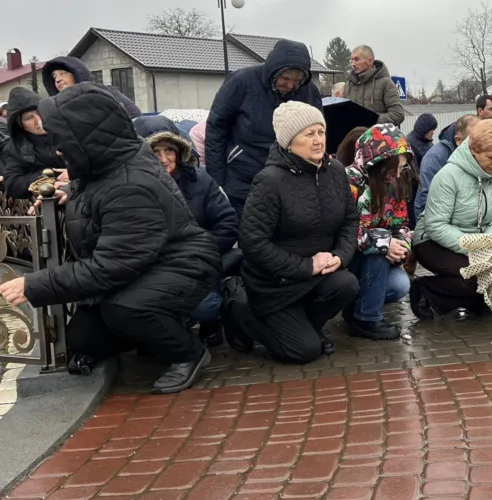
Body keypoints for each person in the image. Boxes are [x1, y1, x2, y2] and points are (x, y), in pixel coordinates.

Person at [0, 85, 220, 393]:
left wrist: (34, 284)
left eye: (62, 139)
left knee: (126, 310)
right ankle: (154, 330)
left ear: (85, 136)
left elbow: (111, 266)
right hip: (148, 264)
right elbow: (98, 192)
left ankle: (188, 353)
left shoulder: (130, 185)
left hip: (181, 265)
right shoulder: (109, 160)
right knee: (83, 339)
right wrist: (67, 192)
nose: (58, 149)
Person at [223, 102, 360, 363]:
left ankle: (305, 327)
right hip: (275, 284)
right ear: (288, 141)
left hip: (317, 276)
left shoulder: (335, 171)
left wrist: (341, 255)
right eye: (309, 134)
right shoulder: (270, 181)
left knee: (347, 284)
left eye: (321, 132)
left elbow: (350, 220)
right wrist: (306, 266)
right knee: (304, 351)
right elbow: (253, 242)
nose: (318, 140)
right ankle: (239, 311)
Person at [134, 115, 240, 341]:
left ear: (179, 152)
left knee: (205, 307)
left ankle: (213, 319)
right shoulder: (131, 187)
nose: (164, 159)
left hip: (197, 263)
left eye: (169, 151)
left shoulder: (200, 180)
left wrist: (198, 253)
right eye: (155, 152)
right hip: (152, 268)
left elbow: (228, 223)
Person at [205, 39, 322, 216]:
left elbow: (318, 132)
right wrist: (217, 180)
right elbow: (216, 129)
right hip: (242, 178)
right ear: (274, 71)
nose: (291, 85)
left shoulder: (309, 91)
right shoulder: (241, 82)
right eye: (285, 79)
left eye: (297, 81)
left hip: (291, 179)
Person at [411, 119, 492, 317]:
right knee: (478, 274)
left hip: (479, 240)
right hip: (432, 242)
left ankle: (473, 298)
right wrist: (475, 246)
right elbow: (435, 225)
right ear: (474, 150)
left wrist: (490, 241)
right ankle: (426, 290)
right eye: (491, 157)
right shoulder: (448, 176)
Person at [345, 124, 414, 339]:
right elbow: (340, 229)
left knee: (400, 285)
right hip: (348, 259)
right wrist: (384, 243)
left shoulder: (394, 184)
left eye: (402, 168)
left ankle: (357, 307)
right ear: (378, 162)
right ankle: (367, 318)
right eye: (395, 169)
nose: (398, 174)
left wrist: (402, 246)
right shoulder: (348, 182)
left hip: (377, 262)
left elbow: (401, 224)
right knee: (379, 247)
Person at [2, 88, 66, 199]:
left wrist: (73, 172)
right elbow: (13, 184)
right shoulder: (15, 148)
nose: (38, 120)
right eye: (29, 118)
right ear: (20, 125)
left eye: (40, 112)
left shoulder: (68, 131)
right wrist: (48, 175)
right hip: (47, 202)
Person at [414, 115, 478, 220]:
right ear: (458, 140)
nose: (479, 149)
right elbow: (426, 198)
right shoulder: (435, 157)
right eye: (473, 144)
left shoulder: (486, 156)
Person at [41, 57, 142, 118]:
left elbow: (135, 118)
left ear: (77, 74)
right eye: (54, 77)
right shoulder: (56, 109)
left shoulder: (107, 93)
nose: (57, 80)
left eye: (63, 74)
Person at [345, 45, 405, 126]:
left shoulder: (386, 83)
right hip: (354, 134)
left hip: (377, 134)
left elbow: (397, 114)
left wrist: (371, 120)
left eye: (357, 59)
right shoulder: (348, 85)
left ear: (370, 61)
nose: (353, 64)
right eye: (352, 60)